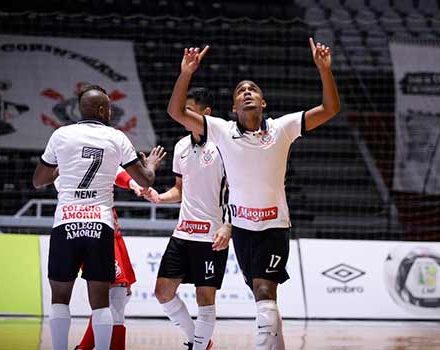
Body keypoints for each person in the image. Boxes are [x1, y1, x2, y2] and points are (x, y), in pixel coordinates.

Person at [166, 38, 340, 350]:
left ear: (263, 103)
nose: (247, 92)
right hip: (242, 230)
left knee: (264, 292)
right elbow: (176, 111)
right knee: (262, 299)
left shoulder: (283, 127)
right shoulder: (220, 129)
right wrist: (186, 73)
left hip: (274, 227)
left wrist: (324, 70)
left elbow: (330, 109)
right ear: (234, 107)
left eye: (253, 90)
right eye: (241, 91)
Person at [32, 84, 166, 350]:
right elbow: (145, 179)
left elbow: (38, 181)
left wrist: (63, 167)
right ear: (104, 110)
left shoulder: (61, 135)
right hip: (100, 225)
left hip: (66, 223)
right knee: (102, 301)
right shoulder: (116, 137)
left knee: (59, 298)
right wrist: (150, 166)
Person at [142, 87, 231, 350]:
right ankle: (200, 342)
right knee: (162, 292)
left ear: (206, 113)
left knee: (205, 297)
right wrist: (159, 197)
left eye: (189, 110)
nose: (183, 115)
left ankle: (199, 346)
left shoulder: (225, 145)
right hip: (182, 233)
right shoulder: (181, 145)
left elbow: (239, 190)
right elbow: (180, 191)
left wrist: (228, 226)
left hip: (211, 234)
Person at [74, 167, 143, 350]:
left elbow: (115, 170)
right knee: (111, 297)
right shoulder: (70, 166)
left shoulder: (100, 154)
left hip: (112, 235)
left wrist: (134, 183)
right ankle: (84, 347)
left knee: (118, 298)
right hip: (92, 232)